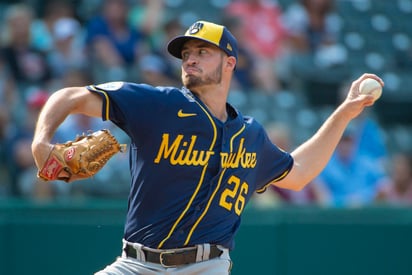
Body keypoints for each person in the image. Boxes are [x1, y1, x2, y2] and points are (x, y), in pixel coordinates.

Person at [31, 20, 382, 274]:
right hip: (136, 264)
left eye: (203, 51)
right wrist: (41, 141)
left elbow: (299, 173)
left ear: (230, 63)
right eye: (186, 53)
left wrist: (345, 112)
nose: (190, 59)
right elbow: (70, 96)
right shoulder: (157, 104)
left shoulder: (249, 134)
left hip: (206, 267)